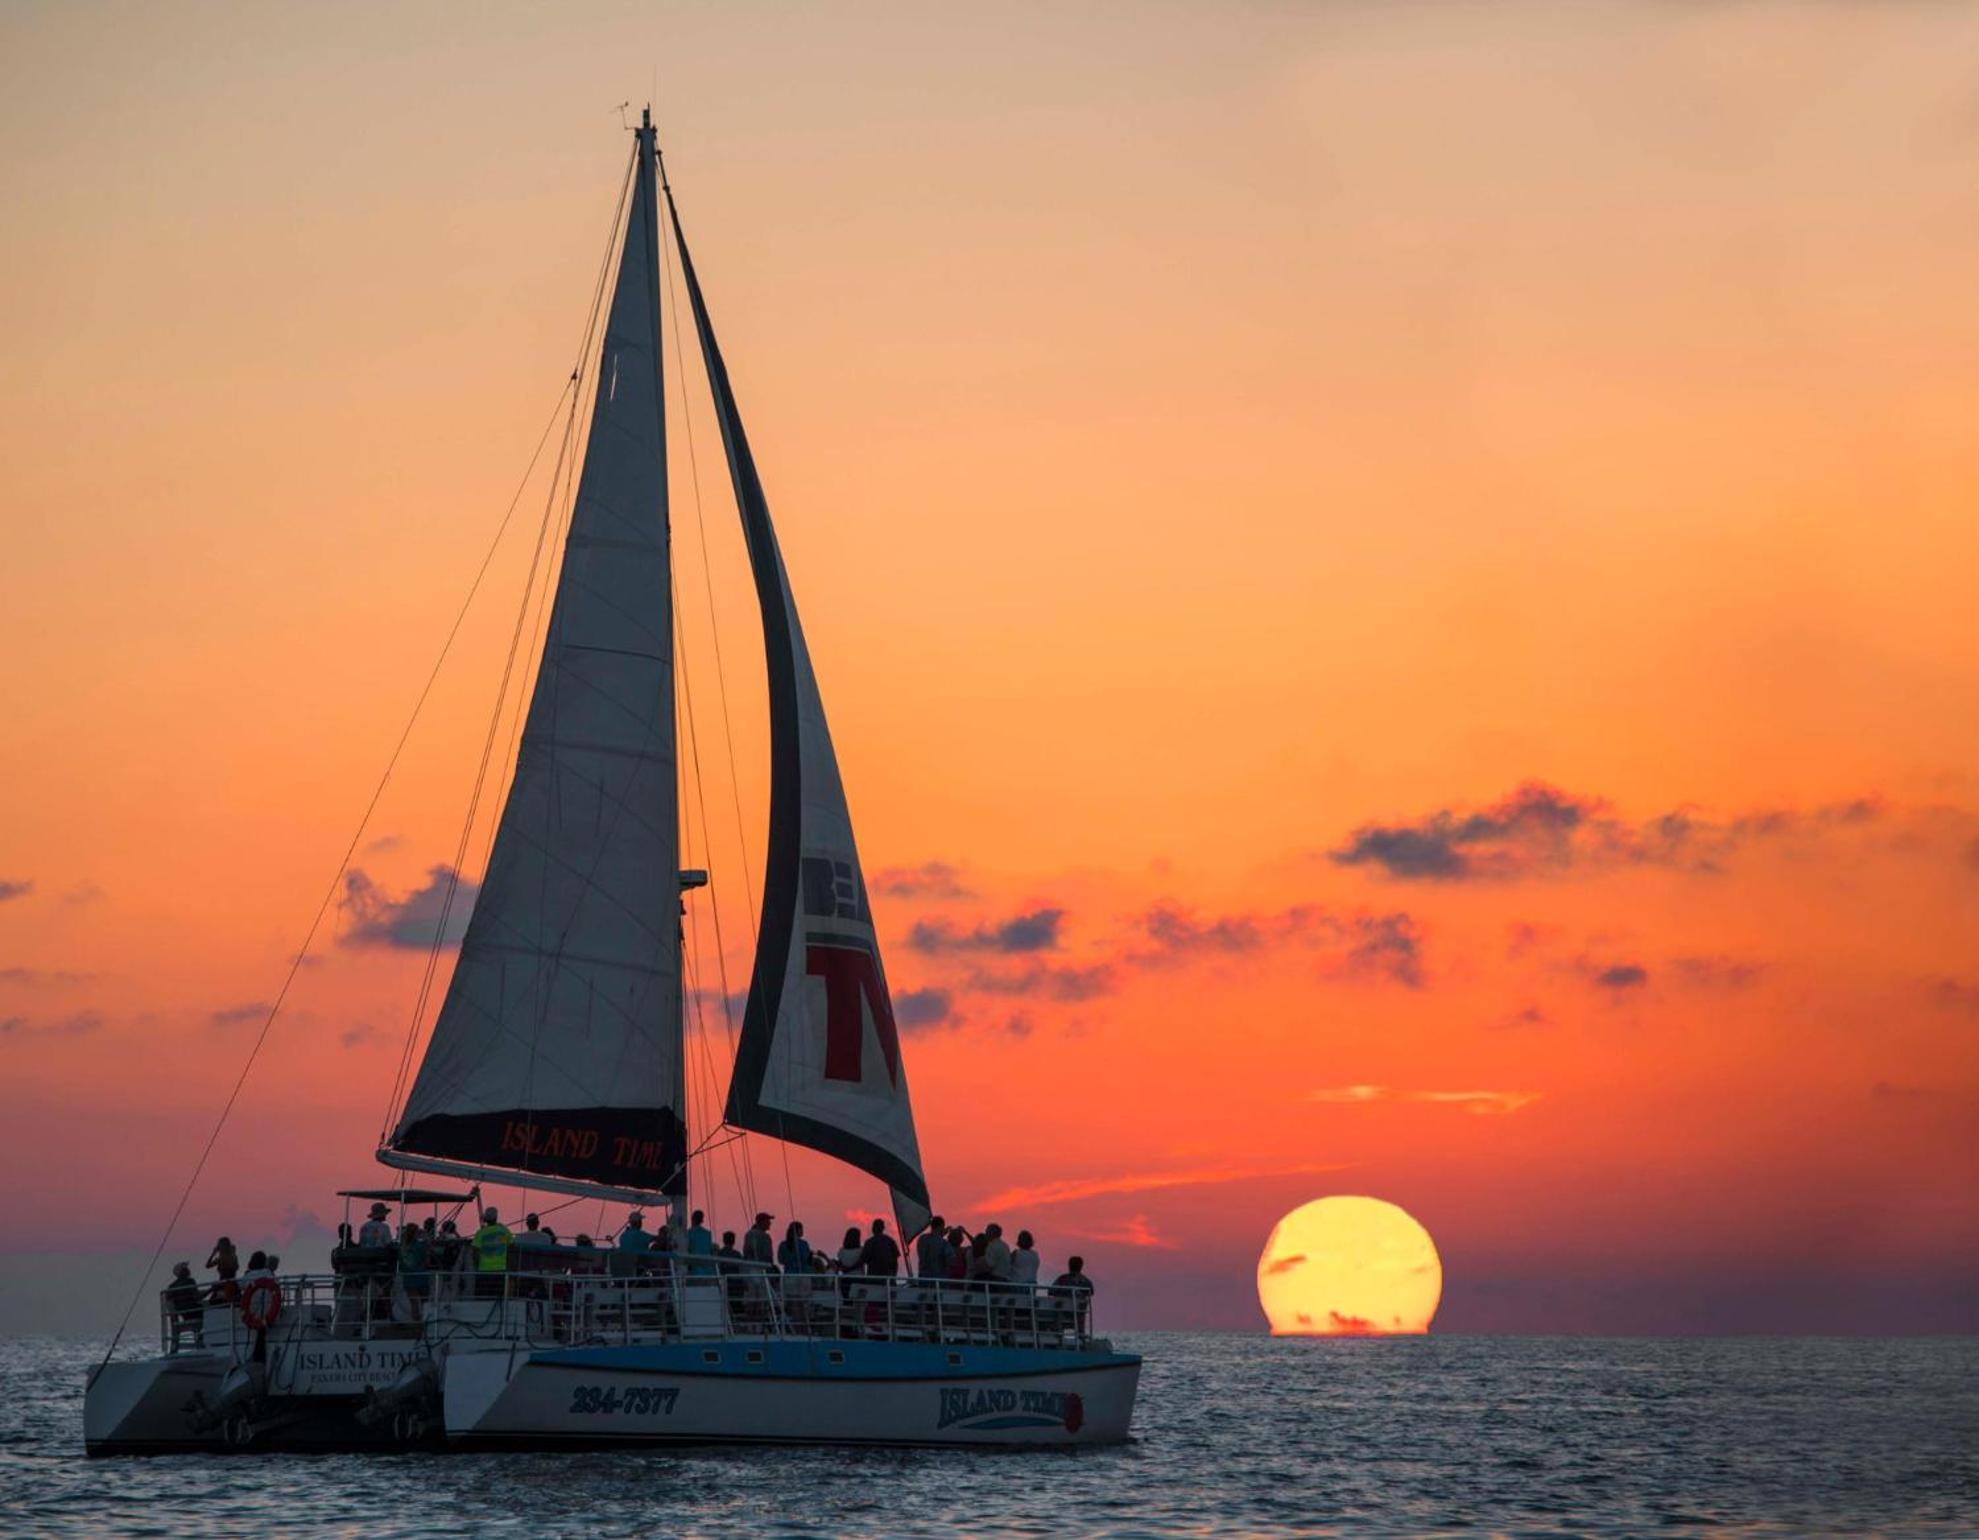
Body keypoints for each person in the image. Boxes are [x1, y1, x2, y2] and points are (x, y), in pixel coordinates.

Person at [471, 1206, 513, 1297]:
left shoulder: (481, 1233)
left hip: (484, 1270)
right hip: (501, 1269)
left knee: (482, 1298)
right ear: (496, 1217)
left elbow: (475, 1252)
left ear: (486, 1219)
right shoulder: (504, 1231)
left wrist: (476, 1266)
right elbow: (511, 1246)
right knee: (498, 1298)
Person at [166, 1262, 203, 1347]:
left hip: (184, 1315)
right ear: (181, 1272)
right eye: (185, 1269)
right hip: (194, 1313)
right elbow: (197, 1297)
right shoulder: (190, 1281)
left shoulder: (171, 1287)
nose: (188, 1270)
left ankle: (200, 1341)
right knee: (212, 1312)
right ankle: (203, 1341)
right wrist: (211, 1290)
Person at [1052, 1256, 1094, 1332]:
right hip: (1078, 1315)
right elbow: (1091, 1292)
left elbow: (1051, 1291)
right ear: (1081, 1266)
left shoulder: (1062, 1279)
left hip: (1062, 1314)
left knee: (1058, 1306)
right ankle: (1081, 1335)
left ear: (1069, 1266)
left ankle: (1057, 1334)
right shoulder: (1086, 1282)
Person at [204, 1236, 240, 1304]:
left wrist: (213, 1253)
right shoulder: (233, 1257)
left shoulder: (221, 1259)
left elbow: (207, 1265)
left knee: (212, 1299)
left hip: (224, 1284)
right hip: (232, 1283)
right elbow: (236, 1267)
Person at [685, 1209, 715, 1277]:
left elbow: (687, 1249)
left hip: (695, 1269)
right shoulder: (707, 1234)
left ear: (692, 1219)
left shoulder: (688, 1233)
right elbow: (710, 1250)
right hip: (708, 1270)